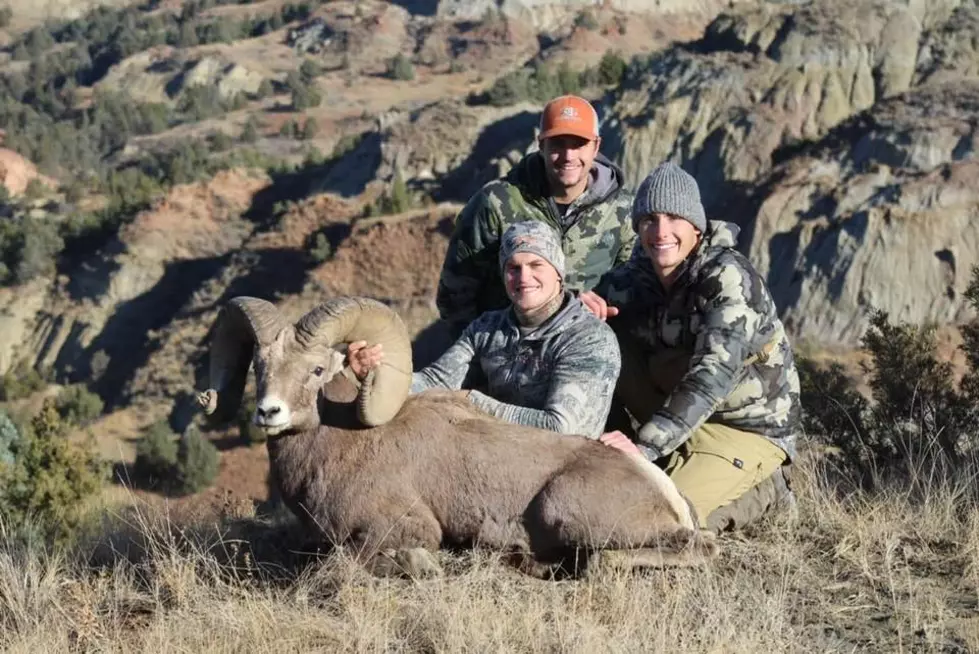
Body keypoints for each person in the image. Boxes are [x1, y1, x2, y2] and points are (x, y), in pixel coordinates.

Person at [580, 161, 800, 532]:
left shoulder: (728, 278)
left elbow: (712, 377)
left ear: (695, 225)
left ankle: (767, 492)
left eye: (673, 218)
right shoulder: (633, 278)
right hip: (674, 409)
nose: (661, 231)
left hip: (743, 427)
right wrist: (579, 308)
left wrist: (644, 448)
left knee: (658, 520)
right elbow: (581, 316)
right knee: (593, 335)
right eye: (649, 219)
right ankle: (599, 456)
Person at [348, 221, 621, 438]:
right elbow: (434, 383)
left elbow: (562, 430)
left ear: (559, 273)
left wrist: (471, 403)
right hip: (498, 459)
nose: (524, 277)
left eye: (536, 264)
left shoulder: (589, 339)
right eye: (513, 268)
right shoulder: (488, 329)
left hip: (568, 475)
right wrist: (377, 372)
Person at [435, 94, 636, 341]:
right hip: (506, 351)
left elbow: (632, 284)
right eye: (557, 144)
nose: (568, 156)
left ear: (596, 146)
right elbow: (454, 296)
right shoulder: (495, 203)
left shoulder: (623, 210)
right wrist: (478, 358)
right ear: (540, 144)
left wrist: (599, 307)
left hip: (587, 348)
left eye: (578, 144)